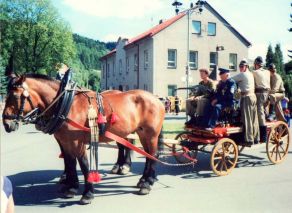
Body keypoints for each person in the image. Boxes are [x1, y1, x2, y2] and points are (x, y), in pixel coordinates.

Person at [232, 59, 259, 146]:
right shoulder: (250, 74)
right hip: (253, 97)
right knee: (253, 119)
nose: (240, 68)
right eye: (239, 66)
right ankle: (256, 138)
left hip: (247, 97)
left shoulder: (243, 74)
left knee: (247, 119)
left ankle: (248, 139)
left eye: (242, 66)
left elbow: (230, 80)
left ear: (246, 67)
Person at [253, 56, 270, 143]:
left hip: (260, 93)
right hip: (267, 94)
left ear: (256, 65)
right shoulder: (267, 72)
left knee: (259, 112)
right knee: (262, 111)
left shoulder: (255, 72)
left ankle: (263, 136)